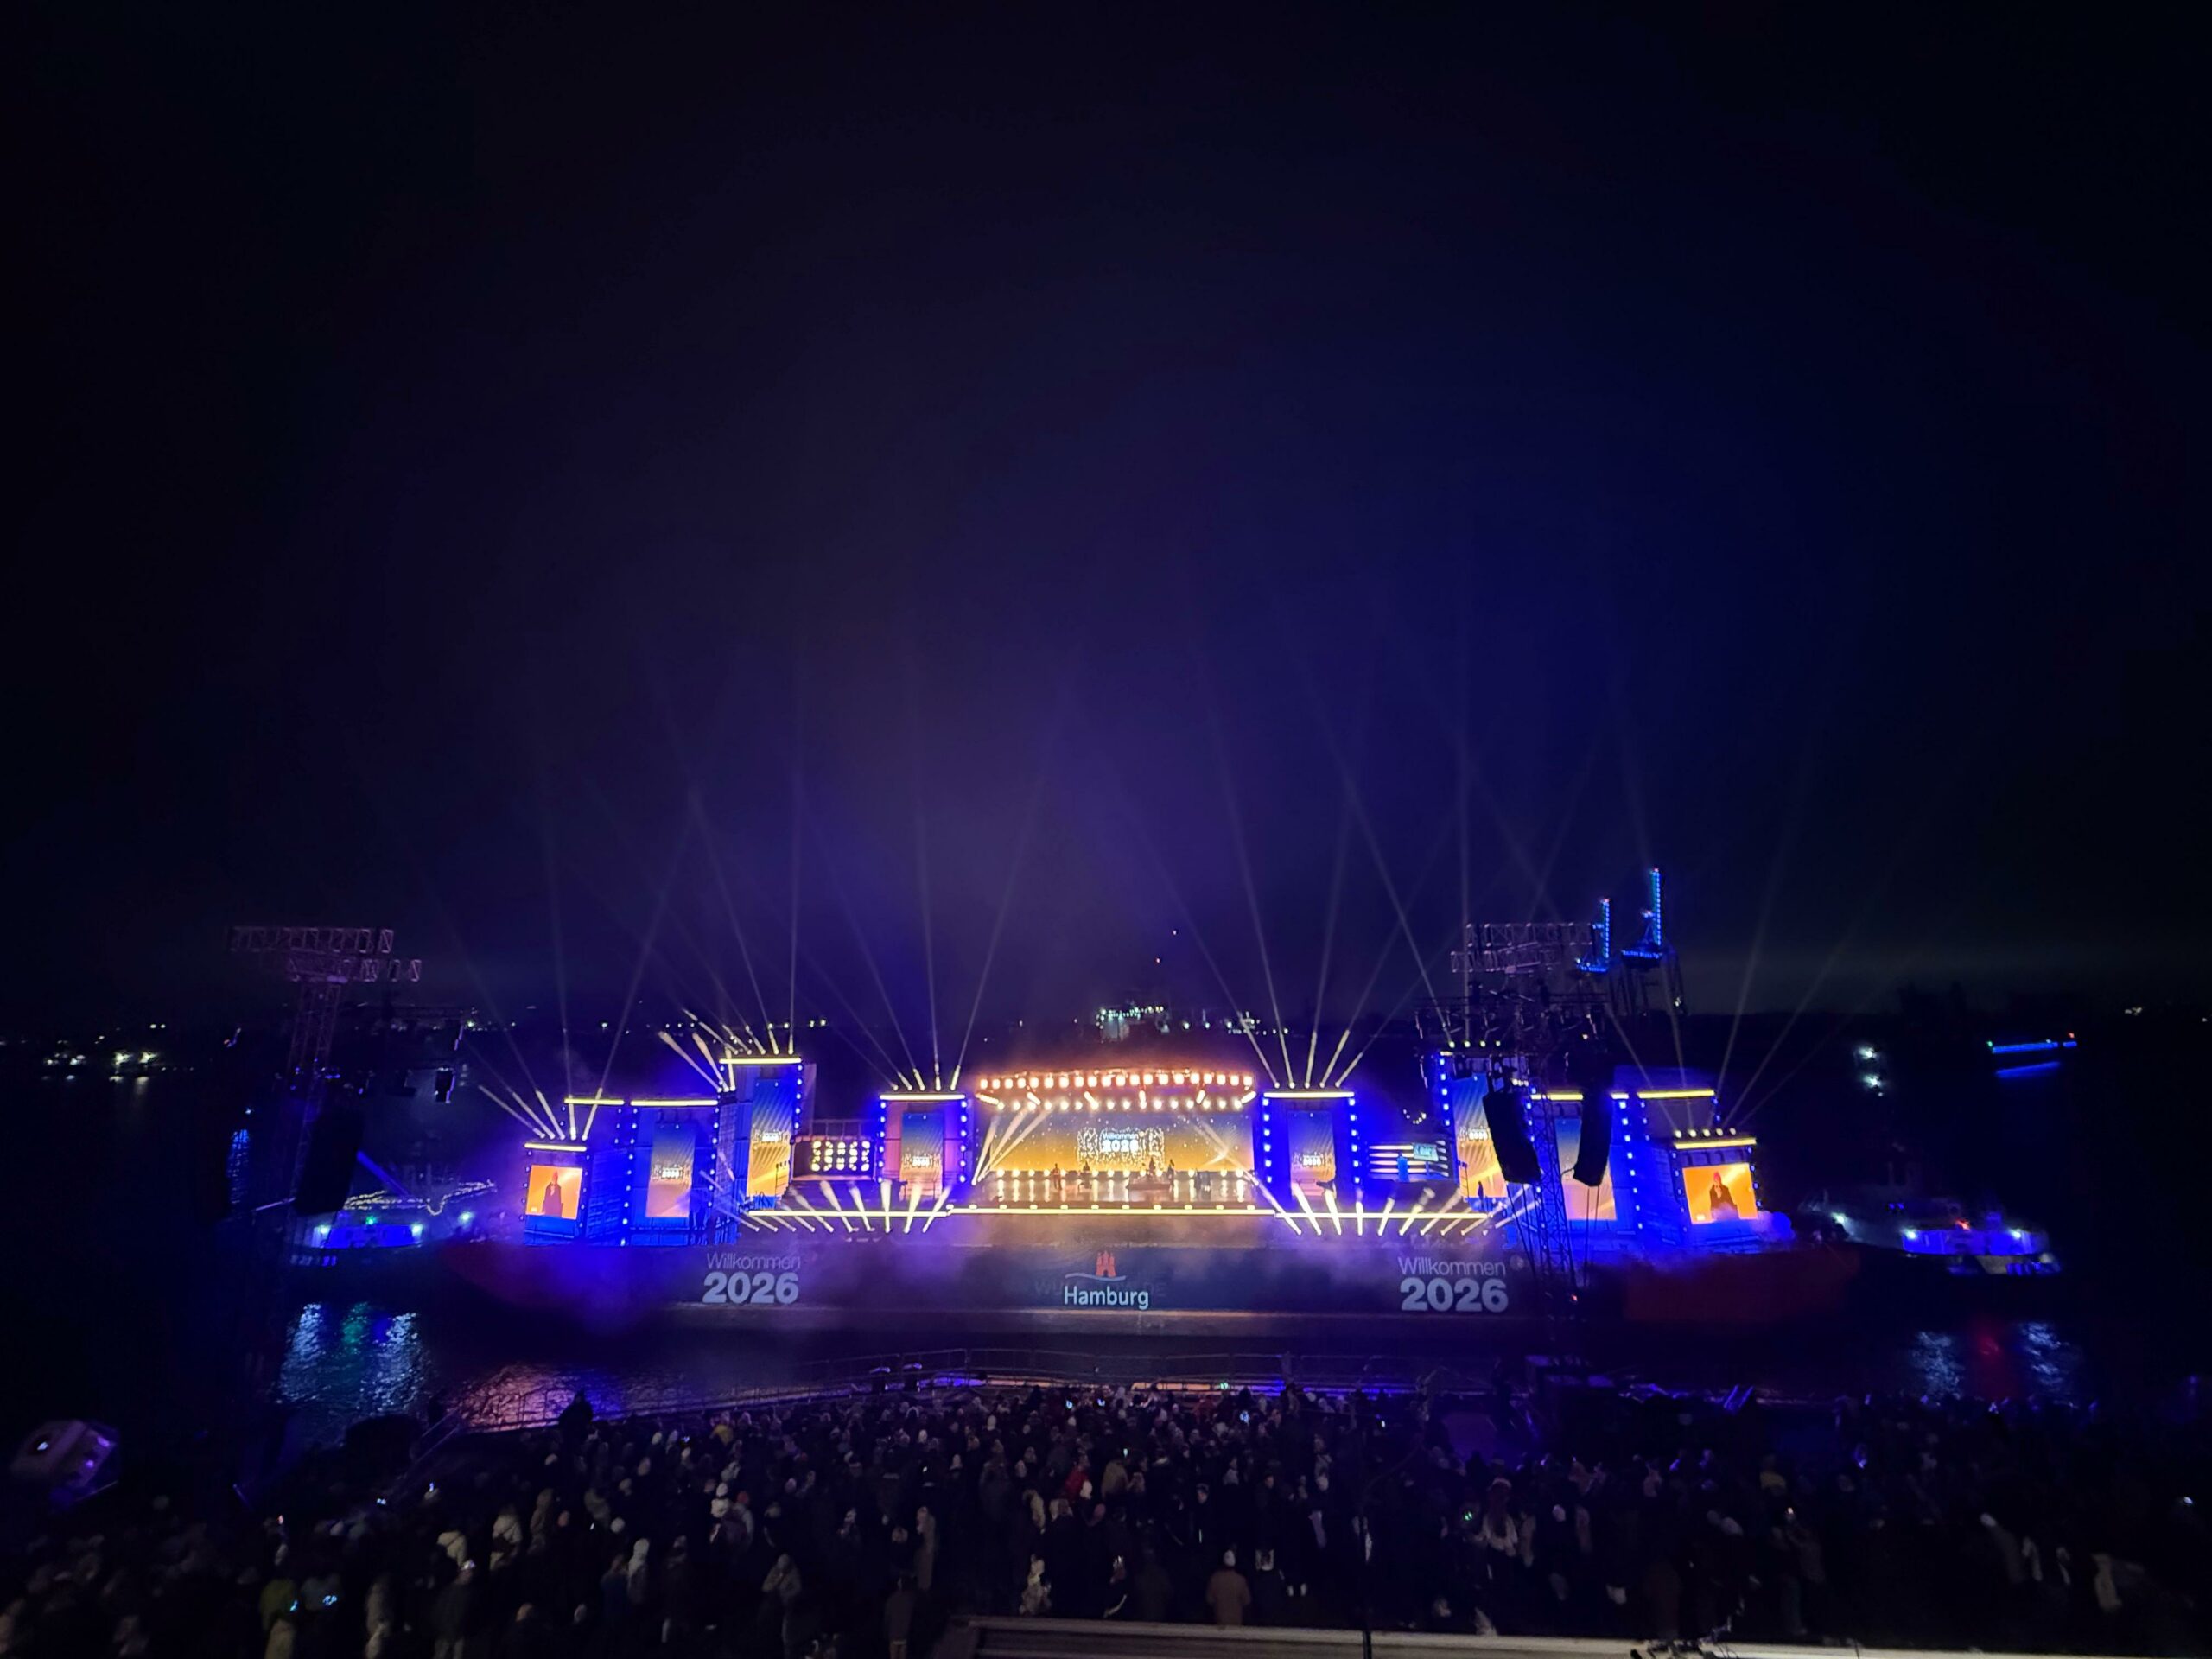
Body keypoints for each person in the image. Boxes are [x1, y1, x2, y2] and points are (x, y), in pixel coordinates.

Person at [1205, 1549, 1252, 1627]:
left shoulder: (1215, 1579)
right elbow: (1247, 1601)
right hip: (1236, 1624)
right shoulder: (1241, 1580)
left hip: (1219, 1624)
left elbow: (1209, 1600)